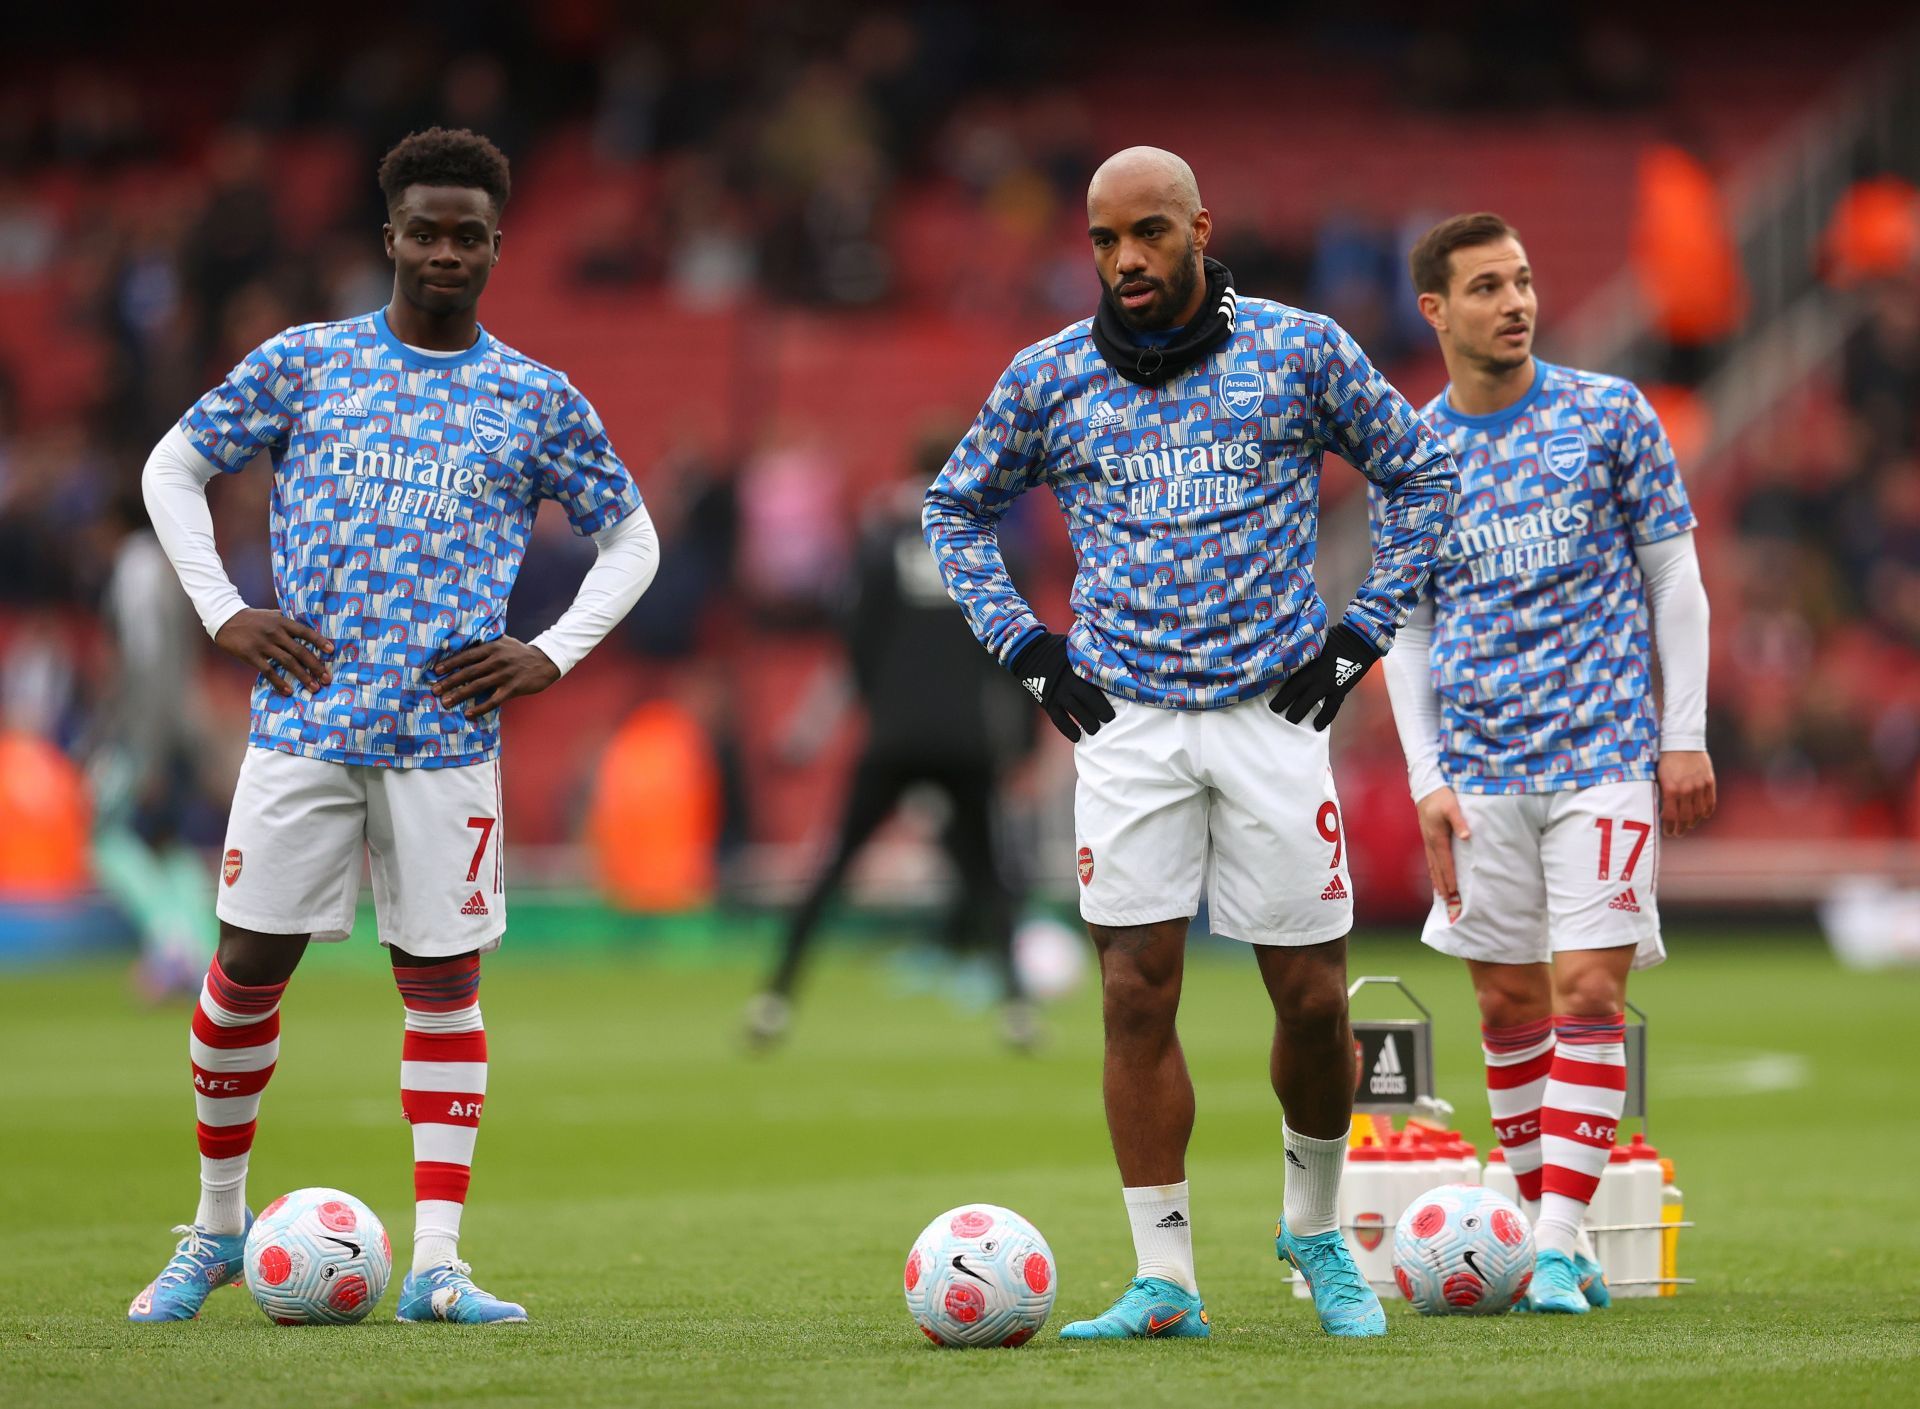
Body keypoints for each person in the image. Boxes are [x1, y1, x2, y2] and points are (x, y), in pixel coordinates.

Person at [128, 128, 660, 1325]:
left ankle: (436, 1262)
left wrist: (550, 650)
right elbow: (172, 466)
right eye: (424, 229)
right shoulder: (307, 362)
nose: (444, 251)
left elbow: (634, 537)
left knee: (442, 982)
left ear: (495, 248)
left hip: (446, 745)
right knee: (244, 968)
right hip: (303, 729)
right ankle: (215, 1226)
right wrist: (224, 611)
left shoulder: (534, 397)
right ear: (390, 237)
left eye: (467, 234)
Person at [923, 147, 1456, 1341]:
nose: (1128, 262)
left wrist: (1362, 630)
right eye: (1107, 241)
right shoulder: (1048, 375)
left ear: (1201, 228)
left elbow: (1421, 473)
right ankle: (1165, 1275)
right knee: (1130, 991)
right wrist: (1028, 647)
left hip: (1276, 711)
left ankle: (1314, 1228)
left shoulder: (1298, 348)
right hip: (1124, 721)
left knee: (1314, 998)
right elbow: (952, 508)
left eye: (1152, 234)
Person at [1383, 212, 1715, 1313]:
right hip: (1479, 768)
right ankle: (1533, 1229)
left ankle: (1564, 1240)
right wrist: (1427, 775)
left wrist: (1684, 734)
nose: (1515, 301)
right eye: (1486, 286)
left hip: (1604, 753)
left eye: (1522, 280)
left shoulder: (1610, 415)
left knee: (1587, 989)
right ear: (1436, 309)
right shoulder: (1416, 457)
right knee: (1505, 1006)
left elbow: (1674, 578)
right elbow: (1409, 629)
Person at [745, 428, 1039, 1051]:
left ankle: (775, 999)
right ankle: (1017, 1008)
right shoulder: (986, 544)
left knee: (836, 866)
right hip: (964, 736)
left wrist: (879, 708)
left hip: (896, 735)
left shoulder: (880, 543)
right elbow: (1017, 651)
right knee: (988, 874)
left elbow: (854, 643)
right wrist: (1022, 744)